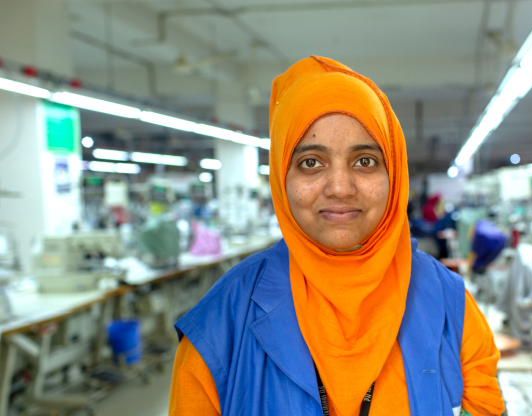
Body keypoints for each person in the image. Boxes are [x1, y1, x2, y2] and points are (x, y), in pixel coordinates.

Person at [168, 56, 504, 416]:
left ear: (394, 172)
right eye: (311, 162)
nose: (341, 187)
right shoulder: (220, 323)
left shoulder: (451, 304)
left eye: (365, 161)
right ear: (282, 177)